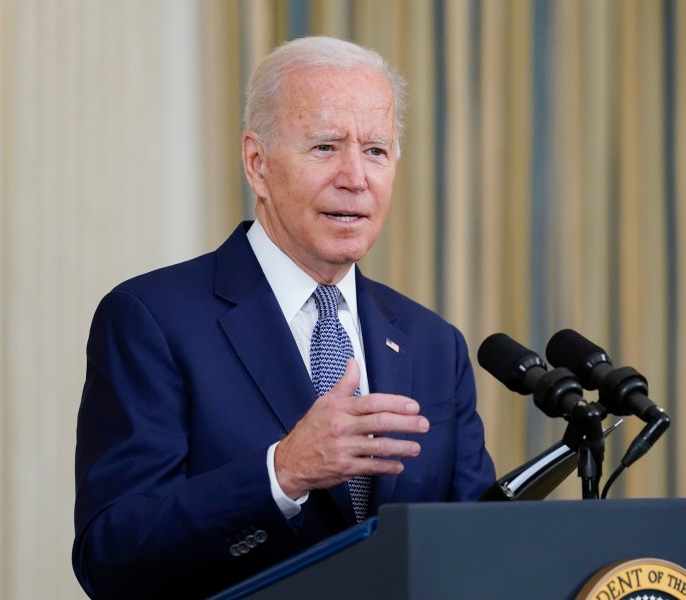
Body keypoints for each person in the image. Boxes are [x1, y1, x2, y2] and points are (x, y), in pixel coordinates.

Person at [72, 36, 495, 599]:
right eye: (325, 147)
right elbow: (112, 555)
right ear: (258, 164)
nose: (356, 177)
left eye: (376, 151)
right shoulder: (153, 319)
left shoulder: (432, 343)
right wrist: (282, 472)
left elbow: (477, 547)